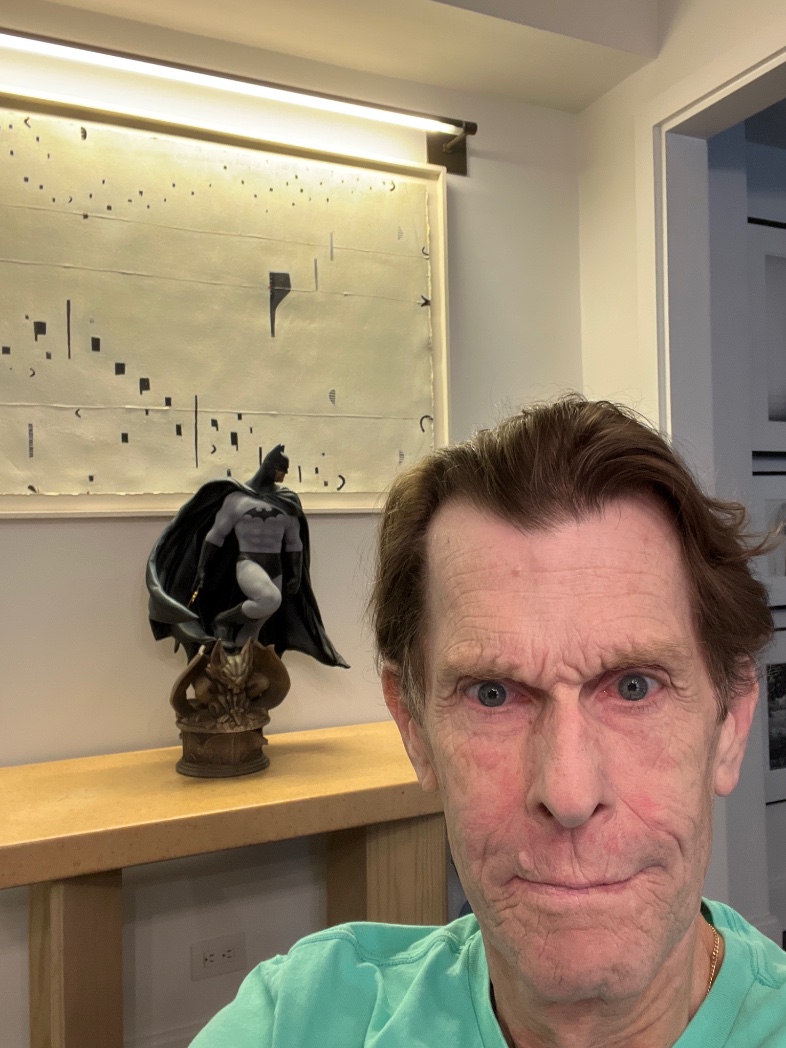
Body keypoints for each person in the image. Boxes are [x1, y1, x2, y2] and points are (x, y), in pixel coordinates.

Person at [189, 396, 786, 1047]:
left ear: (731, 722)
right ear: (414, 727)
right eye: (494, 695)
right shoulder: (297, 1019)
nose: (568, 794)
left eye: (634, 687)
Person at [147, 444, 347, 667]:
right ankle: (224, 619)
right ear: (270, 467)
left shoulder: (287, 501)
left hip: (276, 568)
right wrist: (202, 568)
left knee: (253, 631)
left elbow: (294, 542)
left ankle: (239, 669)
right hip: (249, 563)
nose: (284, 475)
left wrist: (296, 574)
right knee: (270, 600)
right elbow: (216, 535)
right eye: (281, 469)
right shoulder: (237, 499)